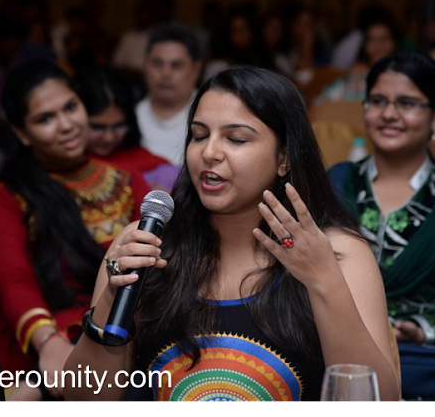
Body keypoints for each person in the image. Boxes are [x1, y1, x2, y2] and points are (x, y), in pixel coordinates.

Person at [64, 67, 399, 402]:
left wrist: (325, 281)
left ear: (284, 158)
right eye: (199, 136)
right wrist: (110, 299)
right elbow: (83, 397)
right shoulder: (145, 245)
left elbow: (376, 397)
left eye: (236, 139)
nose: (209, 152)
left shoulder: (338, 252)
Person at [327, 52, 435, 401]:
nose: (389, 114)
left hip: (430, 369)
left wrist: (422, 330)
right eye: (378, 101)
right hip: (342, 362)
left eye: (407, 103)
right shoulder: (338, 182)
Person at [0, 61, 151, 401]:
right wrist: (48, 342)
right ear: (22, 133)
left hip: (126, 325)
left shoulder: (127, 181)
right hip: (47, 335)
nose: (66, 125)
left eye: (71, 107)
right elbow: (13, 281)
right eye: (45, 119)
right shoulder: (3, 199)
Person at [75, 66, 178, 192]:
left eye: (118, 126)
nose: (109, 137)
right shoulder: (64, 168)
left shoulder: (158, 171)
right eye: (98, 127)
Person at [136, 24, 203, 167]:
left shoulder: (211, 115)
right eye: (157, 64)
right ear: (145, 65)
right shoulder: (130, 117)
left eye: (176, 65)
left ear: (196, 70)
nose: (166, 73)